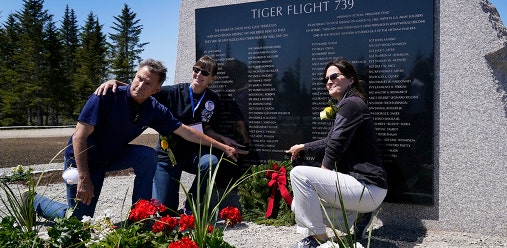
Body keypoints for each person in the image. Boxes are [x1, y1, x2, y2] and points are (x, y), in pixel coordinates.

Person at [33, 59, 245, 220]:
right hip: (84, 160)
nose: (140, 85)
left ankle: (139, 216)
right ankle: (33, 201)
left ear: (156, 90)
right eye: (138, 78)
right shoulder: (106, 95)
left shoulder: (153, 109)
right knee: (78, 219)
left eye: (147, 83)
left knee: (147, 156)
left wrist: (223, 146)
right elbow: (79, 137)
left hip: (113, 156)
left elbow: (187, 131)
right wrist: (83, 176)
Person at [96, 56, 249, 214]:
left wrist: (223, 139)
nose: (198, 75)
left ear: (212, 78)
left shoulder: (213, 99)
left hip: (193, 154)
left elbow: (206, 127)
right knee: (163, 210)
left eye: (204, 72)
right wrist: (115, 82)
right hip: (168, 155)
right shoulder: (172, 92)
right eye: (196, 70)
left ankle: (191, 205)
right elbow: (142, 90)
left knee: (210, 162)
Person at [285, 58, 388, 248]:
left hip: (367, 186)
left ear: (351, 80)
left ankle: (318, 239)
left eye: (334, 76)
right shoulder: (348, 105)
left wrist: (323, 173)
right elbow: (330, 140)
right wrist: (303, 147)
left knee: (299, 174)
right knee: (298, 205)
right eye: (326, 79)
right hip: (363, 191)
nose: (329, 81)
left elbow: (336, 144)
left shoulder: (352, 104)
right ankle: (359, 218)